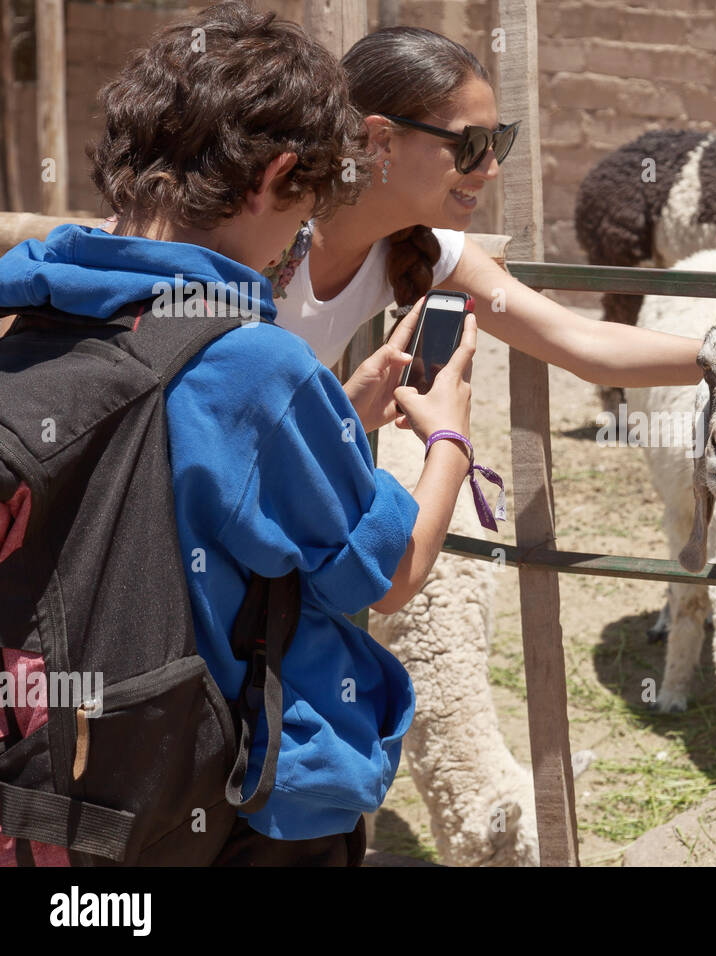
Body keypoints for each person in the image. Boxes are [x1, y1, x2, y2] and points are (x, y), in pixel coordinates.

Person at [0, 2, 472, 864]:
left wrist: (332, 417)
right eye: (304, 210)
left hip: (46, 773)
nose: (295, 241)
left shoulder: (33, 306)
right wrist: (449, 441)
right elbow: (391, 573)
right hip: (216, 802)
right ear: (276, 175)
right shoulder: (255, 364)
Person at [266, 26, 703, 430]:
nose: (490, 169)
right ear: (380, 140)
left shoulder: (425, 248)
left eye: (498, 142)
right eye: (469, 144)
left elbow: (584, 344)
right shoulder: (262, 229)